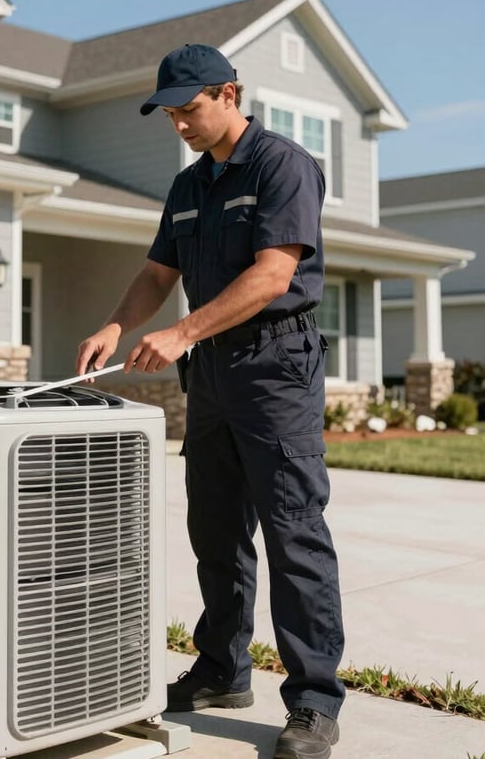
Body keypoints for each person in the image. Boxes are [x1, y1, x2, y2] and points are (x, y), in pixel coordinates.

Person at [76, 44, 345, 759]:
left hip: (276, 368)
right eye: (170, 114)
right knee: (216, 532)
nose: (180, 126)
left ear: (229, 93)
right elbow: (157, 271)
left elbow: (271, 274)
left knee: (294, 534)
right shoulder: (190, 187)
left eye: (189, 110)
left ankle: (315, 702)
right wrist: (115, 324)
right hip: (215, 376)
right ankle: (223, 668)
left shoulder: (282, 165)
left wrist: (181, 333)